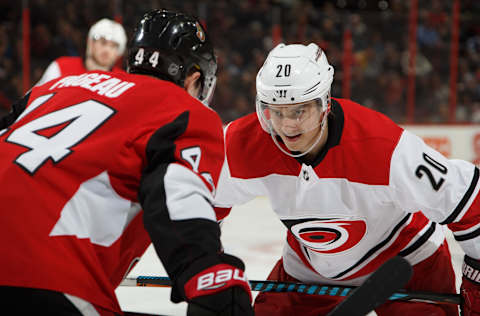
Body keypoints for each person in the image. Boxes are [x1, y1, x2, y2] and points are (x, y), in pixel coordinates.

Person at [0, 9, 253, 316]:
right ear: (194, 79)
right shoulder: (182, 109)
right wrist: (210, 278)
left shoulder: (51, 89)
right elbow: (177, 194)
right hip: (46, 275)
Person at [214, 42, 480, 316]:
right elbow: (202, 199)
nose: (286, 126)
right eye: (276, 112)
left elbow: (469, 199)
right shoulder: (244, 143)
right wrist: (206, 265)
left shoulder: (383, 147)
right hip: (311, 269)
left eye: (299, 111)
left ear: (324, 103)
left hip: (406, 262)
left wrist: (478, 280)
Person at [35, 18, 127, 86]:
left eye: (113, 46)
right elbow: (33, 101)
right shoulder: (61, 67)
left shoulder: (123, 82)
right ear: (91, 42)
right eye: (103, 42)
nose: (107, 50)